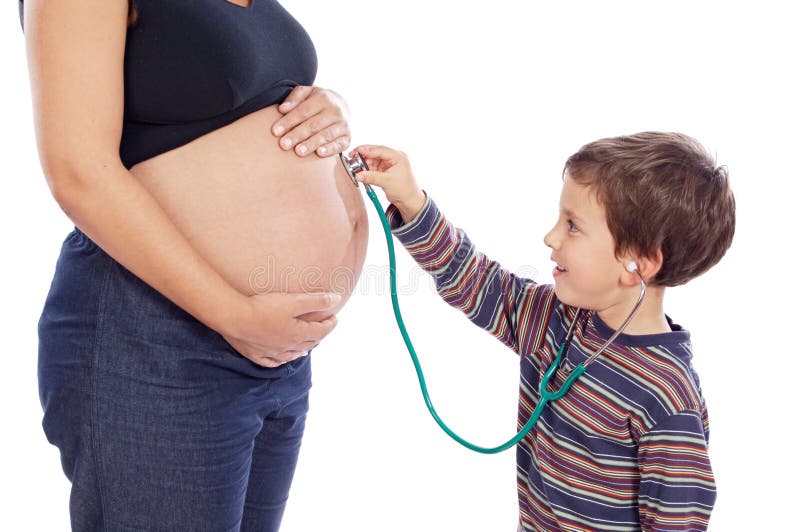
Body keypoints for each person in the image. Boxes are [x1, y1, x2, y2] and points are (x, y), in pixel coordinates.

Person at [21, 0, 369, 530]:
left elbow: (246, 88)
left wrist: (330, 105)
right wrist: (233, 314)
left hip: (276, 354)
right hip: (154, 342)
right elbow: (77, 172)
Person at [350, 132, 733, 531]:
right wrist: (412, 202)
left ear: (638, 262)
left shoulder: (667, 399)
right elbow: (476, 281)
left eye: (573, 226)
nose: (551, 238)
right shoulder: (556, 319)